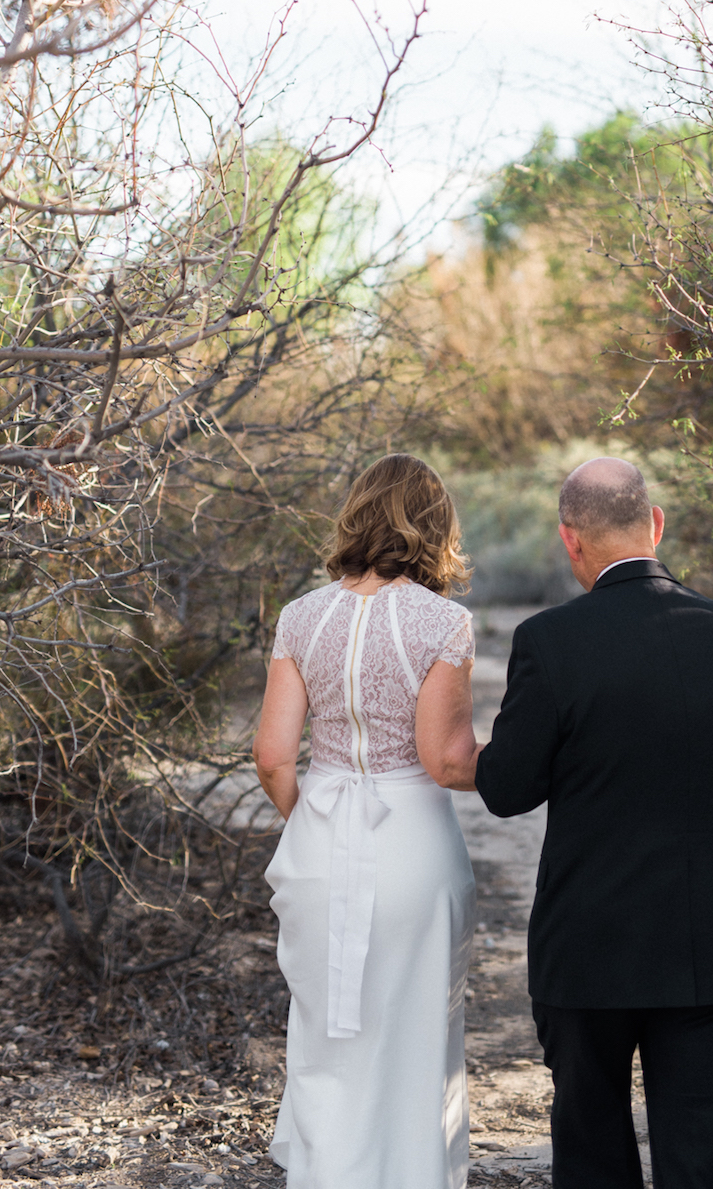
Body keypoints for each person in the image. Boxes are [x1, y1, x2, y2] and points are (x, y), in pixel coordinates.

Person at [475, 456, 713, 1189]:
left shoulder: (549, 642)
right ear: (656, 524)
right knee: (706, 1165)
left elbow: (508, 790)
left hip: (589, 953)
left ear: (569, 540)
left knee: (592, 1159)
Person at [253, 454, 483, 1189]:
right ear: (435, 526)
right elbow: (443, 759)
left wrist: (309, 823)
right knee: (415, 1026)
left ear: (356, 515)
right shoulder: (444, 623)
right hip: (410, 840)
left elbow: (272, 758)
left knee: (325, 1026)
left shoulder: (300, 617)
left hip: (321, 832)